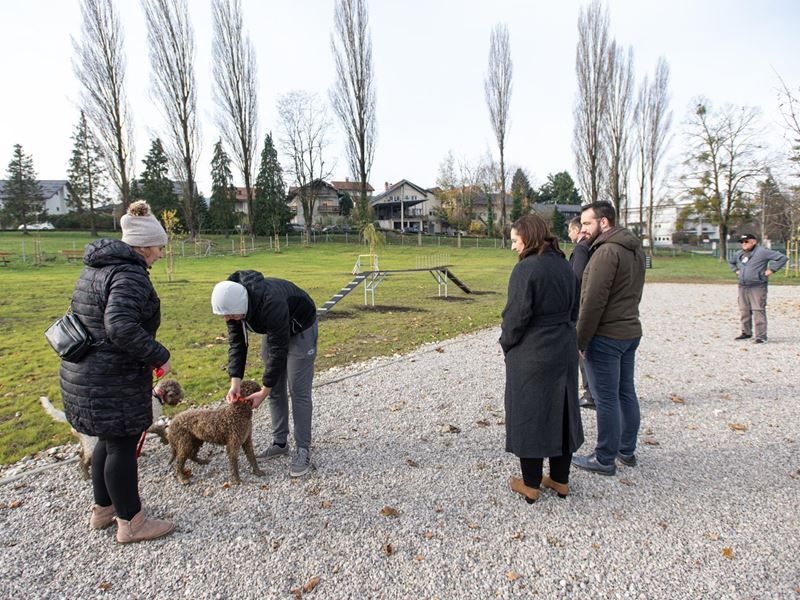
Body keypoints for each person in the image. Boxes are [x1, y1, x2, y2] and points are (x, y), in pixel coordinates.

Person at [60, 200, 174, 543]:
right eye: (158, 248)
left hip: (85, 372)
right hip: (111, 376)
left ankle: (103, 510)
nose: (159, 255)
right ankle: (131, 522)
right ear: (144, 245)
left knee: (106, 443)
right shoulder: (129, 273)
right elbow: (120, 326)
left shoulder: (98, 267)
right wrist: (159, 355)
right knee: (122, 444)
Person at [500, 213, 584, 504]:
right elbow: (576, 308)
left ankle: (531, 483)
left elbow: (515, 317)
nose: (513, 247)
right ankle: (560, 480)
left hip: (532, 351)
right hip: (563, 346)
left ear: (528, 237)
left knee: (531, 412)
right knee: (561, 410)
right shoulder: (564, 264)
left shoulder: (527, 269)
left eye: (515, 240)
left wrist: (507, 344)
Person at [211, 271, 317, 477]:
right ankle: (280, 442)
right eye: (225, 316)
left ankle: (303, 448)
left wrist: (263, 391)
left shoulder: (271, 303)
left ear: (242, 307)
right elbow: (237, 345)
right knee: (275, 390)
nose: (228, 319)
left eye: (231, 316)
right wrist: (235, 383)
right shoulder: (232, 303)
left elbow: (278, 351)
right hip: (275, 328)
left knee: (298, 390)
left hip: (300, 325)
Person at [572, 201, 646, 477]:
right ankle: (626, 450)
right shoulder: (634, 249)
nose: (583, 229)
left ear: (604, 222)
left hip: (606, 335)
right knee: (626, 392)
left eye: (587, 223)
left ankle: (604, 457)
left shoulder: (606, 252)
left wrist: (580, 340)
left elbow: (592, 302)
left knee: (606, 398)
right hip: (630, 330)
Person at [728, 234, 787, 344]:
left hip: (758, 286)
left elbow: (783, 258)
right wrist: (736, 271)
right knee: (744, 310)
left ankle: (761, 336)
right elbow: (731, 262)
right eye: (742, 242)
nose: (743, 244)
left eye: (746, 241)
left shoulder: (762, 252)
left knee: (758, 310)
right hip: (743, 286)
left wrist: (771, 270)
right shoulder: (740, 253)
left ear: (753, 241)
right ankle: (746, 332)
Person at [568, 216, 594, 410]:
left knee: (581, 349)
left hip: (579, 306)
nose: (569, 233)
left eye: (570, 230)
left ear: (577, 231)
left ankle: (590, 392)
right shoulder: (588, 248)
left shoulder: (580, 249)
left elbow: (576, 278)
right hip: (585, 304)